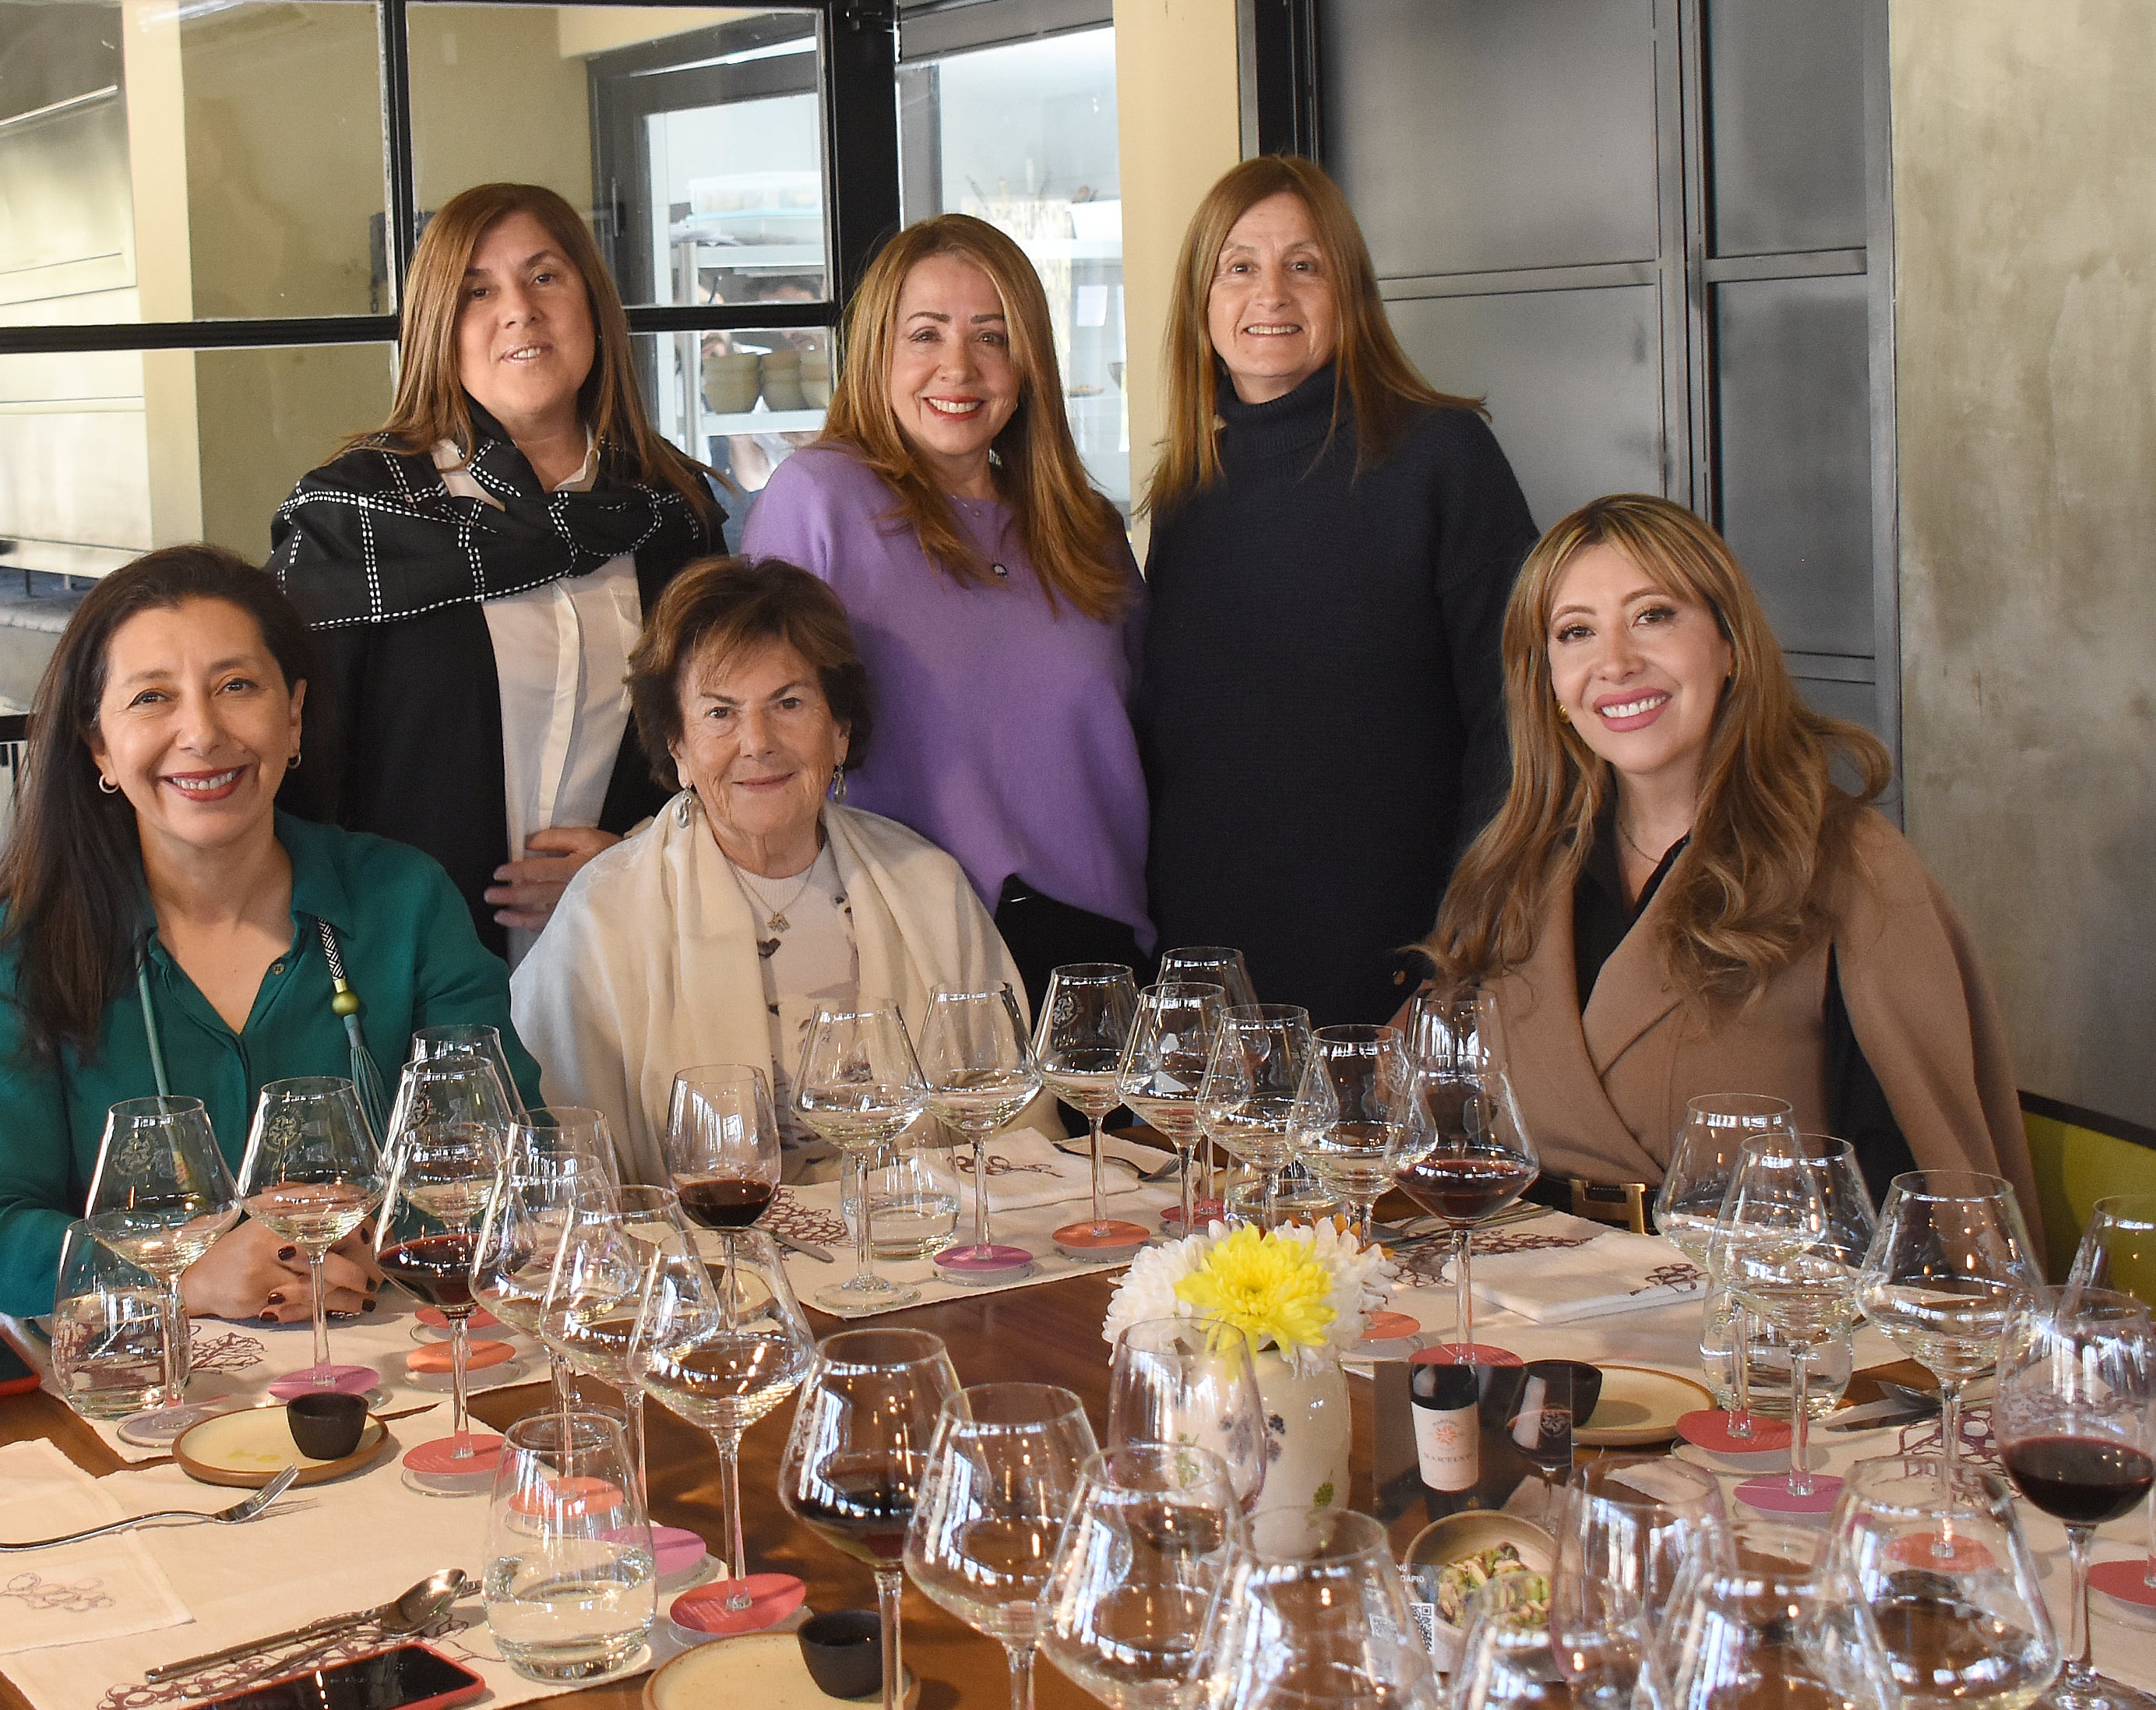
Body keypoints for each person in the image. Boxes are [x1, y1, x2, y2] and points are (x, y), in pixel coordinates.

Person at [0, 545, 532, 1327]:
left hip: (395, 1364)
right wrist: (185, 1272)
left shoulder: (405, 901)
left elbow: (513, 1159)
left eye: (236, 686)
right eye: (152, 698)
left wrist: (349, 1245)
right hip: (137, 1399)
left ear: (293, 715)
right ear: (99, 745)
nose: (202, 733)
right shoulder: (20, 953)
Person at [1421, 494, 2041, 1231]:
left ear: (1731, 644)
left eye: (1653, 616)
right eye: (1576, 632)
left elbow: (1933, 1192)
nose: (1615, 662)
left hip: (1764, 1320)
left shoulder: (1850, 866)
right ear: (1549, 684)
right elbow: (1422, 1110)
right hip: (1543, 1311)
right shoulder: (1518, 867)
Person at [270, 182, 725, 964]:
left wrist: (636, 855)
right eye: (478, 290)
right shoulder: (356, 516)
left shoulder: (674, 513)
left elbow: (721, 746)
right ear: (438, 329)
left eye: (546, 276)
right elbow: (298, 784)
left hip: (630, 961)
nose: (519, 308)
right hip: (405, 969)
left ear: (592, 303)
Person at [1138, 154, 1538, 1028]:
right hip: (1210, 975)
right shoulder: (1186, 493)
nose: (1269, 293)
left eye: (1304, 265)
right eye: (1239, 266)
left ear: (1346, 291)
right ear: (1202, 300)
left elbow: (1518, 723)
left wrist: (1458, 944)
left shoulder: (1441, 457)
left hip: (1400, 968)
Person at [515, 556, 1022, 1184]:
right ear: (677, 747)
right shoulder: (603, 914)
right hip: (707, 1266)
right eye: (720, 713)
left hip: (919, 1255)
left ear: (839, 730)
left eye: (788, 703)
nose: (757, 742)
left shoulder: (928, 886)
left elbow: (1014, 1131)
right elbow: (566, 1167)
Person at [741, 213, 1149, 989]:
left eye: (991, 336)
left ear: (1027, 362)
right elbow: (748, 726)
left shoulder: (1084, 528)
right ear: (879, 354)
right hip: (904, 948)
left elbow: (1154, 735)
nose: (958, 367)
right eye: (925, 334)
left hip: (1098, 951)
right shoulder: (819, 498)